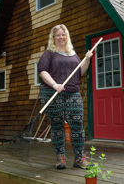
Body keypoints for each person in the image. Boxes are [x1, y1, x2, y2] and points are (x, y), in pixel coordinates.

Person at [38, 24, 93, 169]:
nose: (61, 37)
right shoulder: (49, 53)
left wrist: (87, 60)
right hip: (52, 92)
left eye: (63, 34)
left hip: (72, 93)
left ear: (66, 36)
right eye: (58, 35)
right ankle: (60, 157)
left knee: (77, 126)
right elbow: (42, 71)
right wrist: (55, 84)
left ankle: (79, 158)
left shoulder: (73, 54)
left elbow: (79, 73)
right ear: (53, 37)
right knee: (57, 126)